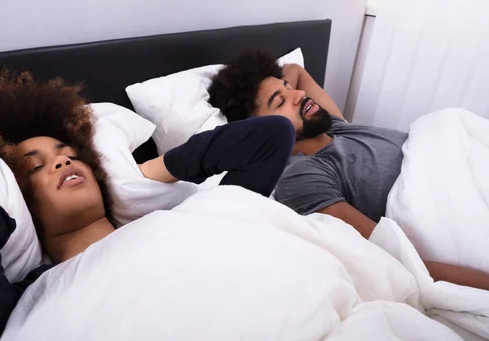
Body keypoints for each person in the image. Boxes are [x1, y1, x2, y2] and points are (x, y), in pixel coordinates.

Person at [0, 71, 294, 340]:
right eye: (35, 168)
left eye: (69, 153)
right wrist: (7, 211)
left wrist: (149, 174)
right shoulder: (25, 301)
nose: (62, 161)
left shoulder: (183, 220)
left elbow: (271, 136)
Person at [207, 49, 489, 291]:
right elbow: (396, 256)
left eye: (287, 87)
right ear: (259, 132)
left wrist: (278, 92)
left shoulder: (333, 126)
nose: (299, 95)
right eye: (279, 101)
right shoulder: (302, 175)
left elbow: (295, 70)